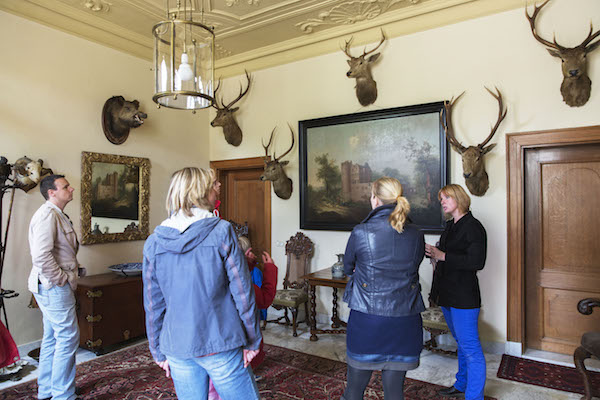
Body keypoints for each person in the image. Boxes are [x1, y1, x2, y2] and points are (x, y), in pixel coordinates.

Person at [142, 167, 261, 400]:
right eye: (213, 185)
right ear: (201, 192)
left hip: (176, 345)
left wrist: (157, 350)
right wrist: (253, 339)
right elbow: (242, 292)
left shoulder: (154, 242)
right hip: (220, 341)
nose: (218, 188)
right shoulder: (222, 231)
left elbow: (152, 304)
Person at [341, 177, 425, 400]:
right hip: (405, 320)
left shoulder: (361, 231)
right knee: (395, 393)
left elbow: (347, 268)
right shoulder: (416, 233)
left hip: (368, 320)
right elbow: (413, 266)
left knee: (353, 392)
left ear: (375, 199)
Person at [425, 184, 487, 400]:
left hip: (464, 297)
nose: (442, 201)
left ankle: (474, 396)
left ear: (459, 198)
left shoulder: (474, 227)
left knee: (470, 347)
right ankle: (461, 384)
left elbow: (477, 262)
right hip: (447, 294)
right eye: (441, 198)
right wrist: (435, 256)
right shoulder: (450, 226)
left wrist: (443, 256)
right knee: (461, 342)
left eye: (446, 197)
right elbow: (446, 256)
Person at [28, 174, 84, 400]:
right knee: (68, 338)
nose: (71, 189)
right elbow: (41, 256)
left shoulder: (56, 215)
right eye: (65, 187)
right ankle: (63, 395)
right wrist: (61, 279)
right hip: (53, 286)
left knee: (52, 337)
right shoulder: (47, 216)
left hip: (48, 285)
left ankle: (48, 390)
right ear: (52, 192)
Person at [208, 236, 278, 400]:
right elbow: (265, 299)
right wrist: (270, 268)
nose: (253, 254)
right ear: (246, 254)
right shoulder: (244, 283)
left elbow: (239, 268)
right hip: (238, 335)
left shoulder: (219, 273)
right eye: (250, 252)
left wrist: (250, 262)